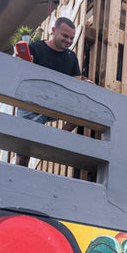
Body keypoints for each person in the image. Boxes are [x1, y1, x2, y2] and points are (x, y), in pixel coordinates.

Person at [16, 16, 85, 166]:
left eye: (72, 38)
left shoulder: (71, 57)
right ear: (54, 31)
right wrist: (22, 64)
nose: (69, 41)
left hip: (56, 102)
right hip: (32, 103)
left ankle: (59, 139)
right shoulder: (35, 48)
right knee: (24, 154)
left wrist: (86, 85)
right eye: (65, 36)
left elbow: (76, 84)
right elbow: (21, 76)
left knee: (84, 104)